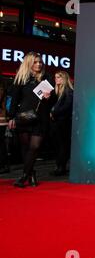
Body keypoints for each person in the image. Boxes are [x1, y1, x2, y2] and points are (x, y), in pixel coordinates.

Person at [7, 52, 55, 187]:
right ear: (29, 63)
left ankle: (23, 176)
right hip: (24, 117)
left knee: (35, 146)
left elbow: (54, 99)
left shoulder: (47, 78)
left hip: (41, 118)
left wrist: (49, 97)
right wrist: (11, 117)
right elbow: (14, 99)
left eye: (40, 62)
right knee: (25, 147)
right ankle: (31, 173)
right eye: (35, 62)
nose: (39, 64)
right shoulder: (21, 78)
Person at [50, 71, 74, 176]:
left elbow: (68, 106)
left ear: (64, 78)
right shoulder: (57, 92)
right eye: (55, 77)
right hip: (57, 122)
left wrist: (54, 112)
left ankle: (61, 167)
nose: (56, 79)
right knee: (58, 145)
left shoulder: (68, 91)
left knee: (63, 145)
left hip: (64, 122)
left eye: (59, 77)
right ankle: (59, 166)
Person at [0, 75, 10, 174]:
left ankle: (4, 165)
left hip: (1, 119)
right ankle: (4, 165)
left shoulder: (1, 87)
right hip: (2, 119)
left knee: (1, 144)